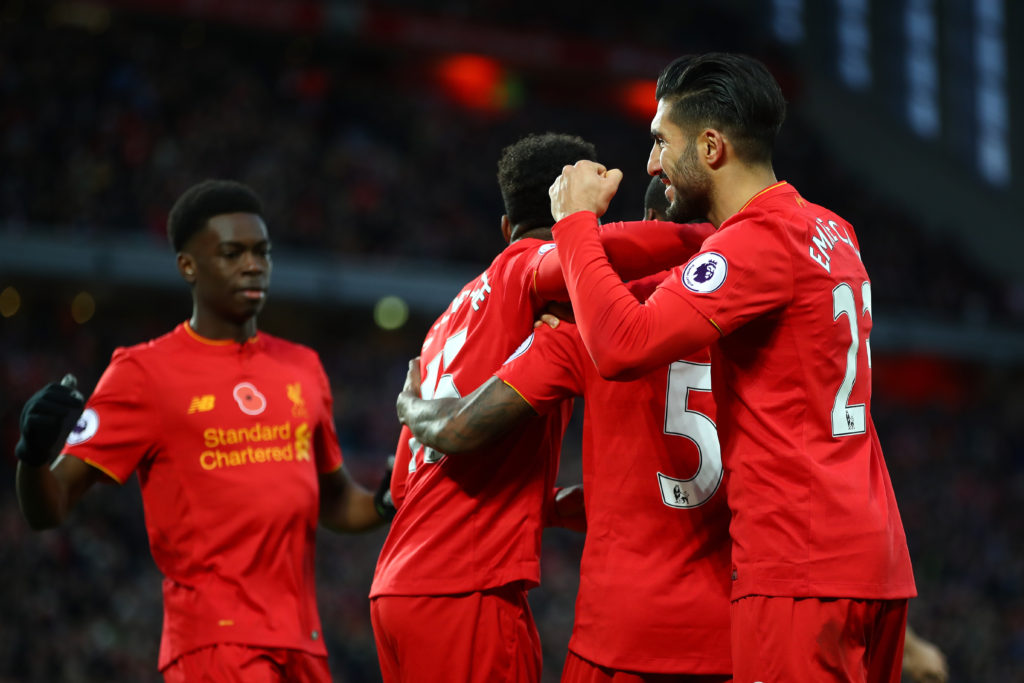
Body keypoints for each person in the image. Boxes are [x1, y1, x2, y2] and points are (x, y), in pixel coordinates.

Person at [547, 52, 916, 682]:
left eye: (662, 141)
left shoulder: (756, 240)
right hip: (876, 562)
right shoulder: (834, 230)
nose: (652, 163)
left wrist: (574, 224)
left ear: (712, 147)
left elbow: (622, 345)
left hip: (796, 568)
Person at [14, 179, 391, 682]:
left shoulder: (304, 368)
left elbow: (337, 500)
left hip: (304, 646)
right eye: (232, 253)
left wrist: (385, 500)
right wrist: (33, 457)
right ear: (187, 266)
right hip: (215, 646)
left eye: (262, 252)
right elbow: (50, 505)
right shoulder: (142, 373)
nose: (252, 265)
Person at [395, 175, 731, 682]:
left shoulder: (588, 323)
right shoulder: (760, 320)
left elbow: (458, 431)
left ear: (643, 230)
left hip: (621, 636)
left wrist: (410, 407)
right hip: (735, 629)